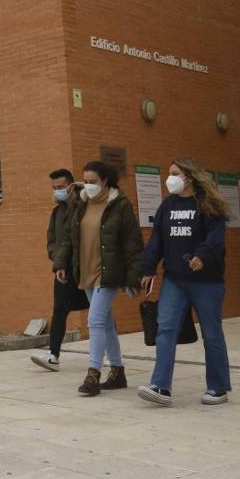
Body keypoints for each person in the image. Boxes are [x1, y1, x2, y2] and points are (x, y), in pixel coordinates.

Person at [137, 158, 232, 407]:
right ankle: (160, 386)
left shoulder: (207, 204)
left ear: (189, 177)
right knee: (165, 329)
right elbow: (156, 239)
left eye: (174, 173)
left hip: (206, 281)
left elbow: (216, 238)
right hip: (174, 279)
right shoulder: (167, 205)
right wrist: (148, 269)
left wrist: (202, 255)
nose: (169, 178)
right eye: (168, 173)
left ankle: (218, 387)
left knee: (211, 333)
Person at [51, 160, 143, 396]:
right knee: (106, 322)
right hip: (86, 270)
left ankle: (93, 374)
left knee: (95, 320)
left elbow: (133, 243)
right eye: (86, 181)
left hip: (109, 272)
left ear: (105, 181)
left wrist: (134, 277)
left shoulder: (119, 205)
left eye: (93, 181)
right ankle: (118, 372)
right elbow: (70, 237)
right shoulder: (81, 203)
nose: (89, 185)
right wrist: (61, 263)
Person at [31, 169, 89, 371]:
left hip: (85, 268)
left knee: (100, 312)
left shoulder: (83, 205)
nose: (58, 191)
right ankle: (53, 355)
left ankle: (111, 354)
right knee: (59, 311)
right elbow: (52, 240)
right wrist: (58, 262)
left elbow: (75, 239)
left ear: (71, 185)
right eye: (54, 188)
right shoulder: (57, 212)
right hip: (63, 271)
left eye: (61, 187)